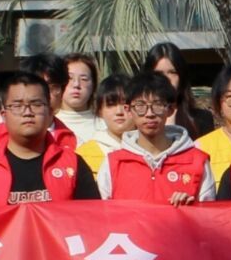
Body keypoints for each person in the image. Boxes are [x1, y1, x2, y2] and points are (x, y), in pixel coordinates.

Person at [0, 71, 100, 206]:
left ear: (50, 113)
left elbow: (91, 217)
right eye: (17, 105)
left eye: (36, 104)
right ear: (4, 116)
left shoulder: (73, 164)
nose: (27, 112)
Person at [104, 73, 215, 204]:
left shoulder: (197, 162)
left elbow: (209, 213)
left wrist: (190, 209)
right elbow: (101, 213)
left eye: (157, 105)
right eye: (140, 106)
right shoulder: (113, 163)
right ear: (128, 110)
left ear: (171, 109)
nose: (149, 114)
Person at [143, 41, 212, 137]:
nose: (167, 79)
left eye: (172, 72)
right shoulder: (137, 119)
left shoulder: (202, 119)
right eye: (159, 73)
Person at [78, 74, 133, 176]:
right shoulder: (83, 155)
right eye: (111, 105)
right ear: (100, 111)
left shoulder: (152, 150)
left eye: (125, 104)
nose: (119, 111)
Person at [57, 54, 103, 145]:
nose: (76, 84)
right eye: (70, 78)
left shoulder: (106, 126)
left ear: (93, 86)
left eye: (84, 79)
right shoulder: (48, 126)